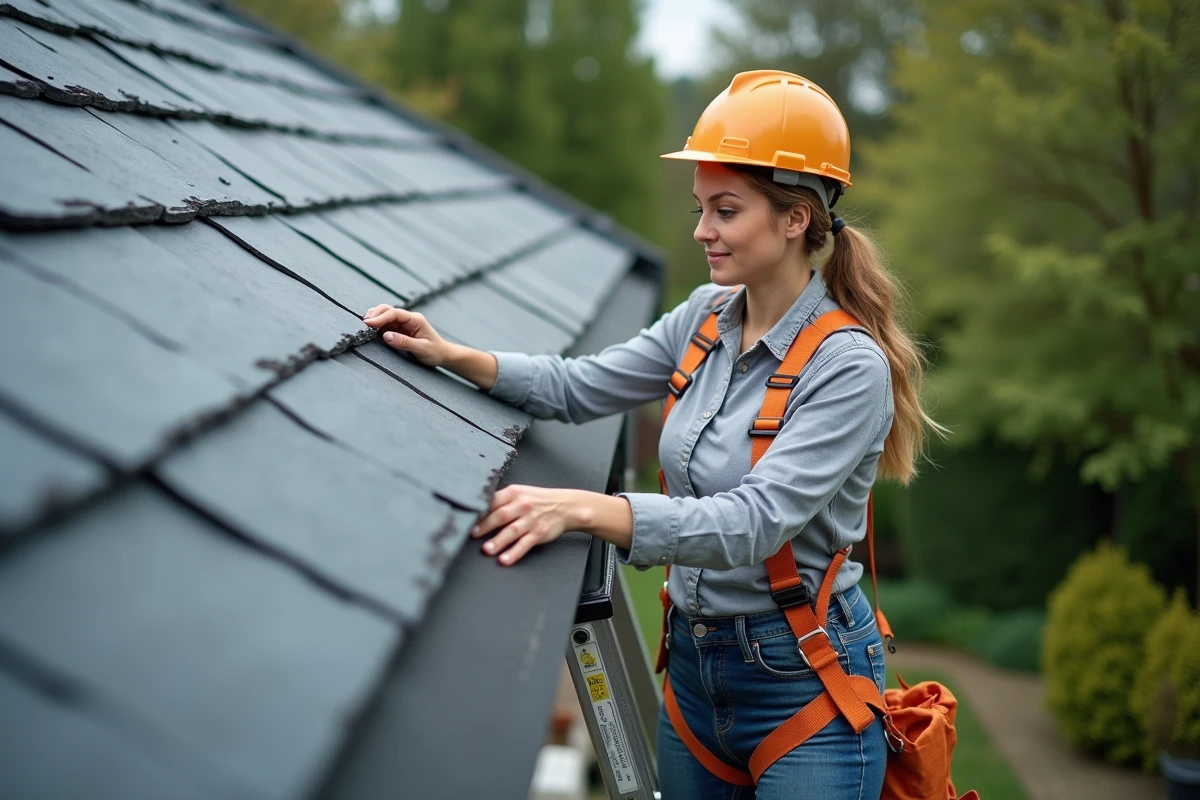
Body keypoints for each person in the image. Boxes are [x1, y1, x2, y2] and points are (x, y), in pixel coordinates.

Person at [364, 70, 940, 800]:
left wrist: (580, 508)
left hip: (807, 685)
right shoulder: (704, 316)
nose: (702, 230)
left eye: (725, 211)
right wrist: (452, 354)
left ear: (796, 218)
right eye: (703, 208)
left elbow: (753, 524)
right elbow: (579, 385)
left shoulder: (847, 366)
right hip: (697, 678)